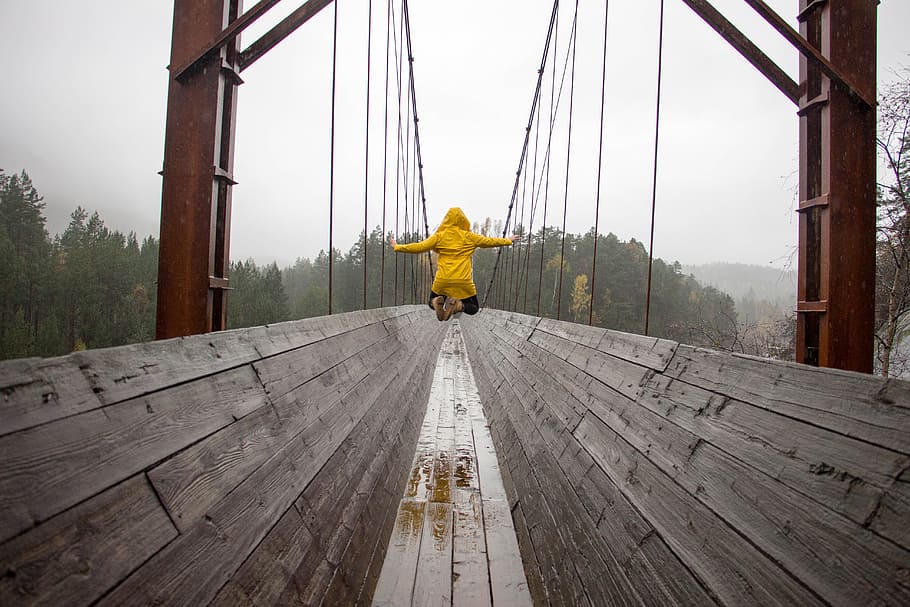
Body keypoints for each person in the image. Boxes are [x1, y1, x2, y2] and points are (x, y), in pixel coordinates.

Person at [390, 207, 519, 321]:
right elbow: (490, 241)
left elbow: (419, 247)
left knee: (430, 302)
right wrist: (507, 240)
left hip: (443, 279)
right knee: (473, 308)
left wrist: (398, 247)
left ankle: (436, 303)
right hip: (463, 281)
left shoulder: (439, 236)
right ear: (463, 220)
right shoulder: (469, 237)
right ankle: (458, 305)